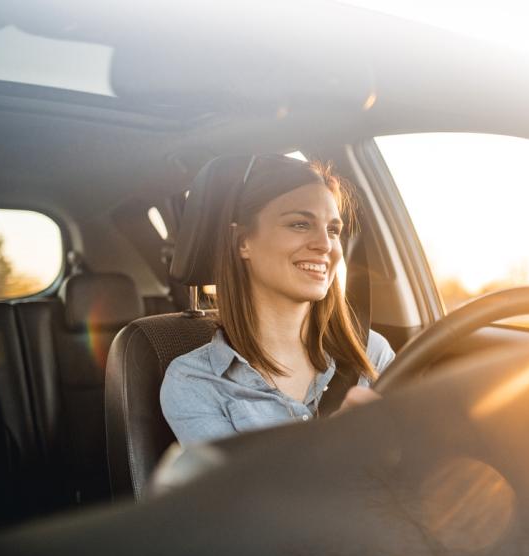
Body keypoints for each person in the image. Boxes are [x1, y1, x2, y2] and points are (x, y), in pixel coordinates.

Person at [161, 155, 394, 446]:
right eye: (300, 224)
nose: (325, 245)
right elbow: (240, 492)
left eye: (333, 230)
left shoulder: (371, 354)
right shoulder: (195, 381)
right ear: (243, 241)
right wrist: (335, 447)